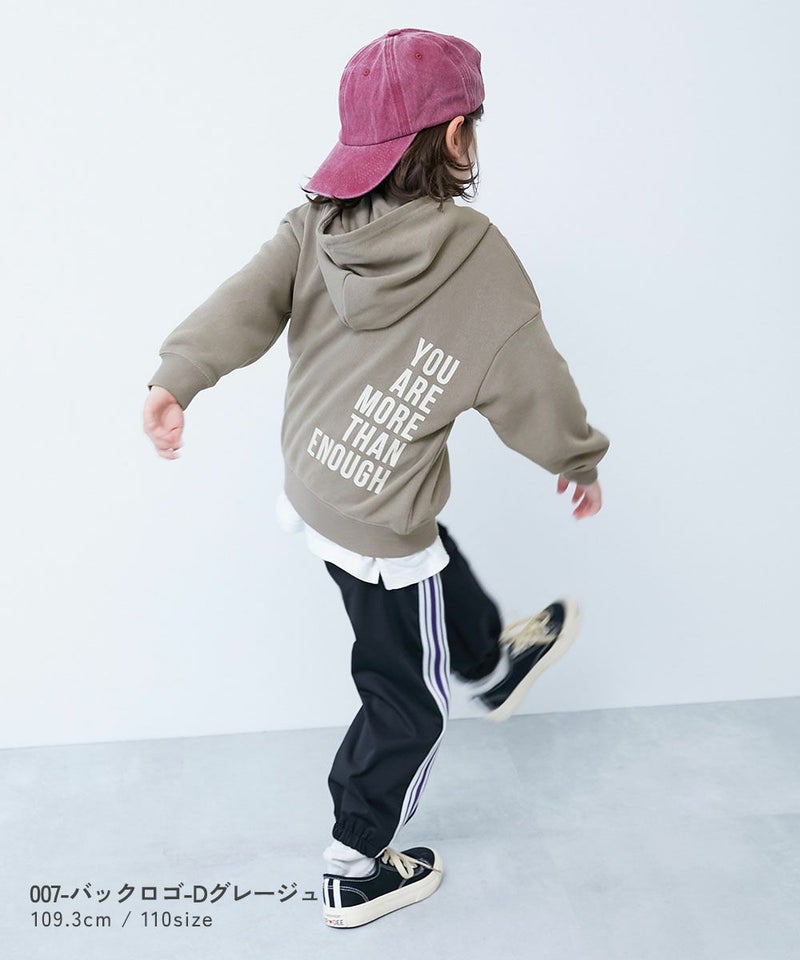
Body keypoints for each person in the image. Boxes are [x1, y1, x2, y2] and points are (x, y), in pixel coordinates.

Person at [143, 27, 610, 929]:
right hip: (379, 524)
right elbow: (533, 380)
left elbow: (245, 300)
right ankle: (356, 863)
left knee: (429, 539)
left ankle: (489, 660)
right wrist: (575, 457)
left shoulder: (315, 223)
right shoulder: (479, 259)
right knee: (409, 700)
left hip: (315, 481)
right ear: (457, 137)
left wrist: (177, 377)